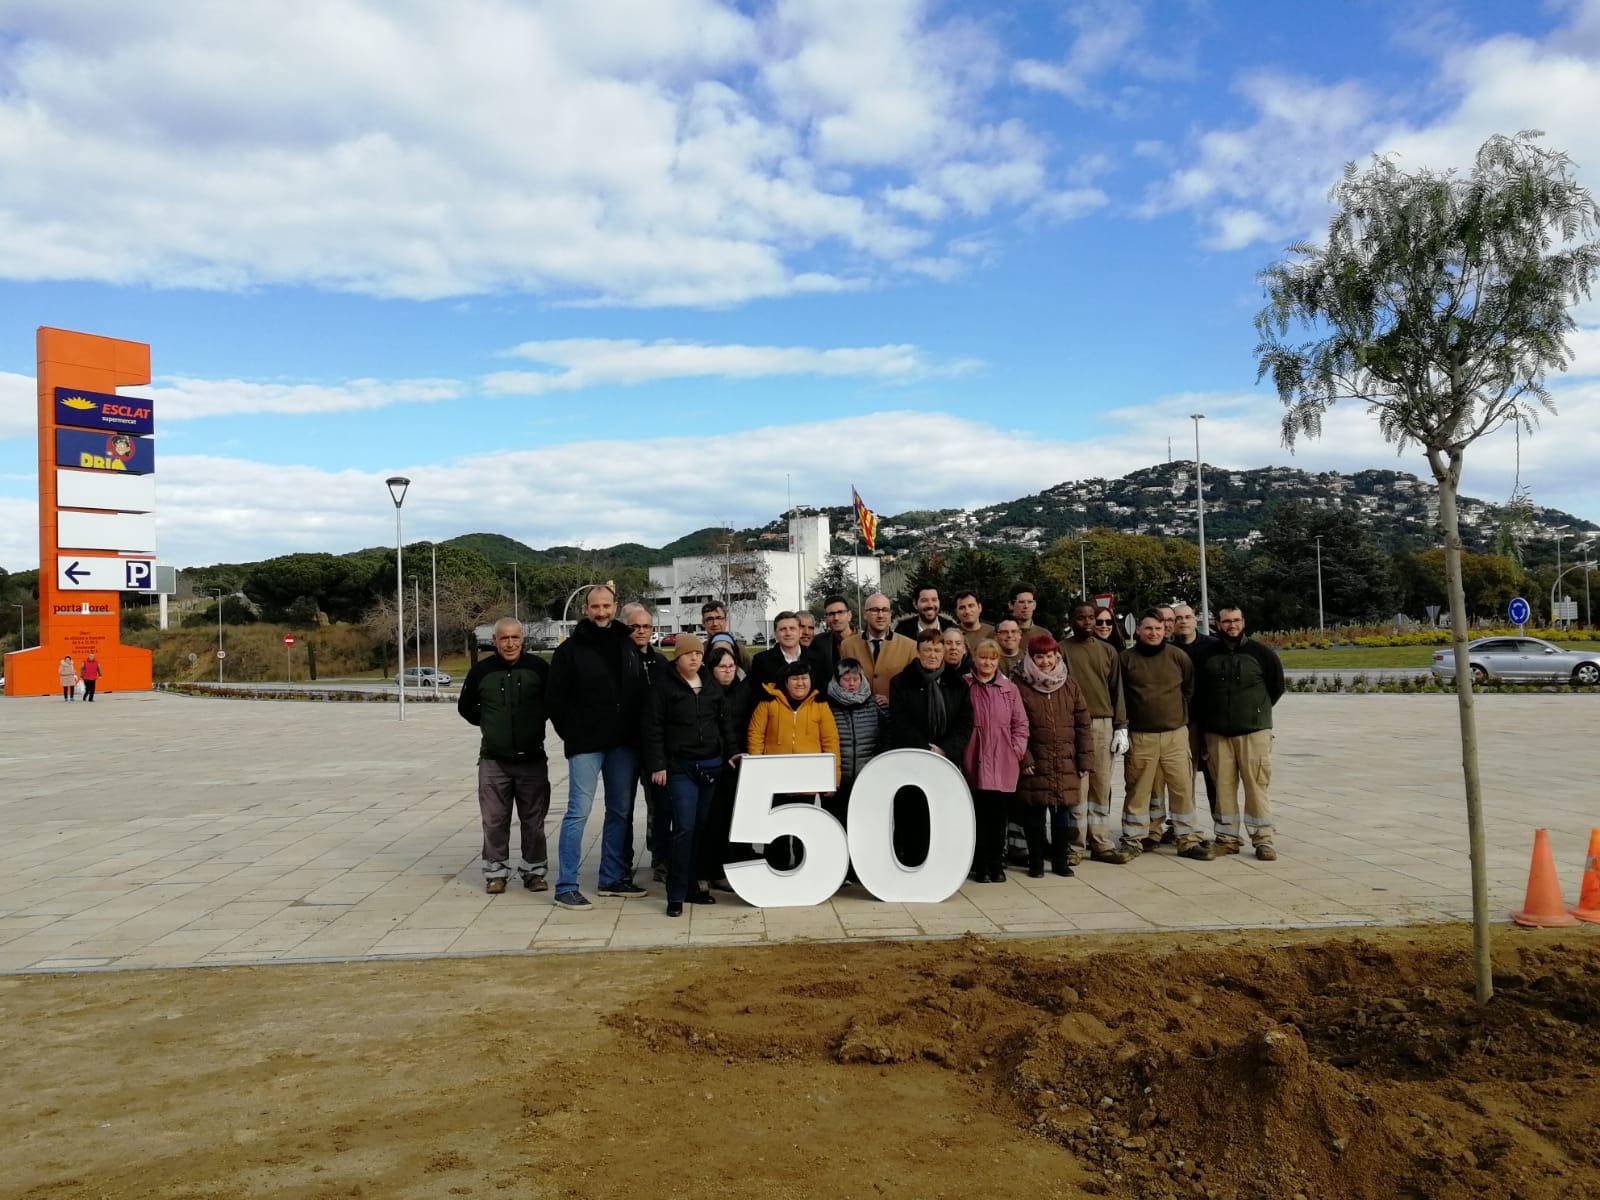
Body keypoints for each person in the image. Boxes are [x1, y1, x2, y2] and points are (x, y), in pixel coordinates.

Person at [547, 584, 647, 909]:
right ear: (586, 609)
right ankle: (566, 885)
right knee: (578, 811)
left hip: (623, 745)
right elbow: (555, 700)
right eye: (595, 606)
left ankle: (611, 878)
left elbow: (636, 690)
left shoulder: (627, 644)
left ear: (615, 606)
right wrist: (573, 734)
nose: (601, 612)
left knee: (620, 811)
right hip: (586, 744)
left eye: (606, 606)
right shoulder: (569, 651)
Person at [642, 635, 740, 917]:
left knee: (699, 828)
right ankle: (676, 893)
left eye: (698, 653)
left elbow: (725, 723)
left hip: (710, 766)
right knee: (683, 828)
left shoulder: (710, 686)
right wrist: (657, 764)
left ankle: (692, 887)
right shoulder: (663, 687)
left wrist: (731, 751)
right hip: (679, 768)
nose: (694, 658)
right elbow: (653, 728)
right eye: (688, 654)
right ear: (677, 658)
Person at [457, 618, 552, 894]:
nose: (510, 644)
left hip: (532, 759)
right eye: (504, 638)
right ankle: (495, 873)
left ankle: (534, 871)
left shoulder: (539, 668)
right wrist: (492, 724)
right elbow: (466, 708)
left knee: (533, 821)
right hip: (493, 761)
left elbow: (553, 703)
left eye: (515, 638)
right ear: (494, 641)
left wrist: (533, 722)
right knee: (494, 821)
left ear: (522, 639)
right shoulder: (480, 672)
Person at [1192, 606, 1285, 861]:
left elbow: (1276, 687)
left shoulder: (1262, 654)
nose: (1231, 625)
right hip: (1217, 734)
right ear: (1218, 624)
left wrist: (1255, 711)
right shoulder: (1206, 655)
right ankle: (1226, 839)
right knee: (1222, 787)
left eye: (1236, 620)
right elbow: (1198, 692)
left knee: (1256, 786)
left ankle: (1263, 839)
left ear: (1243, 622)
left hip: (1254, 732)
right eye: (1226, 621)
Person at [1118, 609, 1211, 862]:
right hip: (1141, 736)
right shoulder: (1125, 659)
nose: (1153, 633)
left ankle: (1187, 839)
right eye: (1148, 628)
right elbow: (1120, 695)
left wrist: (1175, 715)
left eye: (1158, 628)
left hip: (1175, 735)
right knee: (1138, 790)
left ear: (1165, 630)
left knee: (1182, 789)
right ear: (1138, 630)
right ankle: (1134, 839)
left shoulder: (1178, 656)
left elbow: (1188, 690)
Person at [887, 628, 973, 865]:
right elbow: (900, 721)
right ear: (918, 652)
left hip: (946, 761)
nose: (932, 655)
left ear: (944, 652)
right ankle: (911, 861)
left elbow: (964, 724)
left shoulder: (958, 685)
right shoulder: (900, 682)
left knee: (942, 813)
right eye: (927, 650)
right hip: (912, 760)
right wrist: (926, 750)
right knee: (913, 814)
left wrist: (944, 750)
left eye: (937, 649)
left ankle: (942, 863)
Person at [747, 661, 841, 869]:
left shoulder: (820, 706)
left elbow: (831, 742)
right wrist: (756, 772)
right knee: (776, 831)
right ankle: (776, 869)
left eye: (804, 678)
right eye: (795, 679)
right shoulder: (768, 703)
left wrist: (832, 778)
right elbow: (756, 737)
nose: (800, 683)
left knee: (804, 830)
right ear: (785, 682)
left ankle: (803, 869)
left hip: (806, 782)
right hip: (775, 781)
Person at [1014, 634, 1092, 878]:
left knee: (1062, 817)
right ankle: (1036, 863)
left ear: (1056, 656)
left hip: (1065, 761)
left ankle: (1060, 862)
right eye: (1039, 657)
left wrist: (1085, 759)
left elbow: (1083, 724)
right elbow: (1013, 725)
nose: (1045, 662)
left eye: (1049, 656)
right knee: (1034, 816)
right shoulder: (1019, 685)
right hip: (1035, 762)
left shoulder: (1069, 684)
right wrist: (1024, 758)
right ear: (1031, 658)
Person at [1061, 604, 1131, 865]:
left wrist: (1121, 726)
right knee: (1079, 787)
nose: (1088, 622)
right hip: (1073, 724)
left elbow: (1117, 690)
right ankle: (1075, 845)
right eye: (1081, 618)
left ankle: (1101, 842)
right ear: (1071, 620)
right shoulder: (1061, 649)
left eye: (1091, 617)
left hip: (1103, 723)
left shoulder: (1108, 651)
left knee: (1101, 784)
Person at [962, 640, 1029, 883]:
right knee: (978, 816)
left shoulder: (1009, 689)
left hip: (1002, 761)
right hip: (974, 758)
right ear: (975, 658)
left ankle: (996, 864)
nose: (987, 663)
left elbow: (1020, 724)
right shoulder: (965, 685)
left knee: (999, 817)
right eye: (983, 657)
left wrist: (1015, 751)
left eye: (992, 658)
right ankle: (981, 865)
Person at [623, 604, 670, 881]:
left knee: (659, 806)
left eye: (646, 626)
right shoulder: (619, 660)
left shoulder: (661, 663)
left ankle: (660, 860)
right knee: (623, 809)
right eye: (635, 626)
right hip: (625, 746)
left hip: (655, 748)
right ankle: (622, 862)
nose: (641, 631)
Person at [699, 643, 747, 892]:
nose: (728, 671)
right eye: (722, 667)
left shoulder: (743, 690)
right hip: (712, 762)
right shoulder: (705, 692)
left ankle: (725, 871)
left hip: (736, 763)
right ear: (712, 669)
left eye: (731, 666)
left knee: (730, 819)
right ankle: (706, 872)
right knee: (710, 821)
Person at [823, 657, 882, 840]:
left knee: (863, 830)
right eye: (846, 679)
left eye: (856, 679)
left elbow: (883, 740)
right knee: (836, 830)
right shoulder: (826, 707)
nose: (851, 684)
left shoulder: (875, 706)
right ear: (837, 680)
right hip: (838, 782)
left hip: (866, 780)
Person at [1172, 603, 1220, 824]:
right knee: (1183, 777)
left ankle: (1223, 827)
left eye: (1187, 617)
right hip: (1184, 721)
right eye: (1178, 618)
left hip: (1211, 721)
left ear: (1195, 620)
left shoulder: (1213, 646)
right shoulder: (1169, 650)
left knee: (1216, 777)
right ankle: (1185, 826)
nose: (1183, 621)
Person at [839, 592, 916, 703]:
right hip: (859, 710)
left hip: (895, 712)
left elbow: (914, 689)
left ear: (890, 614)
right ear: (865, 614)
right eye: (875, 610)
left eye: (885, 610)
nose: (880, 615)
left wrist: (893, 701)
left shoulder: (910, 647)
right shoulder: (847, 646)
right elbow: (842, 683)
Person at [748, 611, 812, 694]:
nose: (788, 633)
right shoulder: (761, 660)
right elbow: (756, 693)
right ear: (775, 634)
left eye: (792, 628)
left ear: (800, 632)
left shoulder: (816, 658)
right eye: (783, 629)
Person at [700, 601, 747, 670]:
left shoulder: (740, 651)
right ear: (703, 623)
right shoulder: (699, 651)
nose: (715, 623)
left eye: (719, 618)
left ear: (726, 620)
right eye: (710, 619)